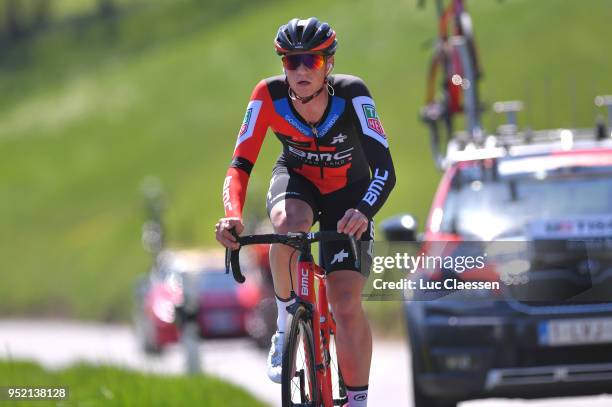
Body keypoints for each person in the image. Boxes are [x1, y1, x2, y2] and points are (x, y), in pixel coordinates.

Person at [215, 17, 395, 407]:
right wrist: (232, 214)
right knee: (287, 227)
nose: (299, 70)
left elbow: (384, 168)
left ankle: (358, 400)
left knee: (345, 303)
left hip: (349, 197)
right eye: (290, 61)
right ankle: (283, 327)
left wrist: (364, 210)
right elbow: (239, 165)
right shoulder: (267, 95)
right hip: (298, 183)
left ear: (328, 64)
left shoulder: (353, 94)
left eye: (309, 61)